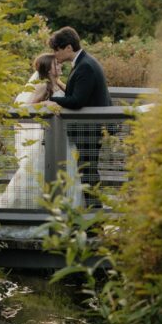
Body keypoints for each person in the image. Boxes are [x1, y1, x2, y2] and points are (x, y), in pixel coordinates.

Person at [0, 53, 83, 209]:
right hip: (47, 137)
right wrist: (45, 104)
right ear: (48, 69)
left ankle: (63, 210)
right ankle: (34, 210)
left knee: (67, 171)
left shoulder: (57, 84)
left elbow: (72, 98)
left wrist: (59, 83)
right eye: (56, 64)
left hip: (63, 136)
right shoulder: (42, 86)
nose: (60, 66)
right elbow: (26, 108)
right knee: (37, 173)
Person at [49, 26, 111, 205]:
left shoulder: (85, 66)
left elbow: (77, 100)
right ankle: (94, 218)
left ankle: (95, 221)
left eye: (57, 50)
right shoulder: (85, 62)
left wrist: (51, 100)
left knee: (89, 173)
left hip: (89, 129)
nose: (55, 54)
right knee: (88, 172)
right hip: (89, 127)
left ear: (68, 48)